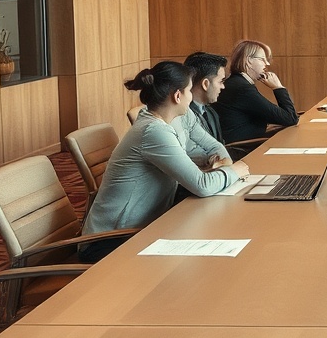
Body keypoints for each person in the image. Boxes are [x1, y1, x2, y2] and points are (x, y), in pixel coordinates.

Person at [80, 62, 250, 262]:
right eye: (188, 90)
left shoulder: (157, 124)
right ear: (177, 96)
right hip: (109, 242)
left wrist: (214, 167)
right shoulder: (154, 131)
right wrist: (235, 170)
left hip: (138, 230)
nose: (191, 96)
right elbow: (203, 186)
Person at [215, 39, 298, 157]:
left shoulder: (238, 82)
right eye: (262, 59)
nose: (267, 64)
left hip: (245, 143)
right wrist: (278, 87)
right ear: (248, 61)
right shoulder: (242, 88)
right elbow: (290, 118)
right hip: (240, 149)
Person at [184, 51, 228, 143]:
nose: (223, 86)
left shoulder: (211, 112)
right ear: (205, 84)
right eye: (220, 81)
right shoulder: (183, 115)